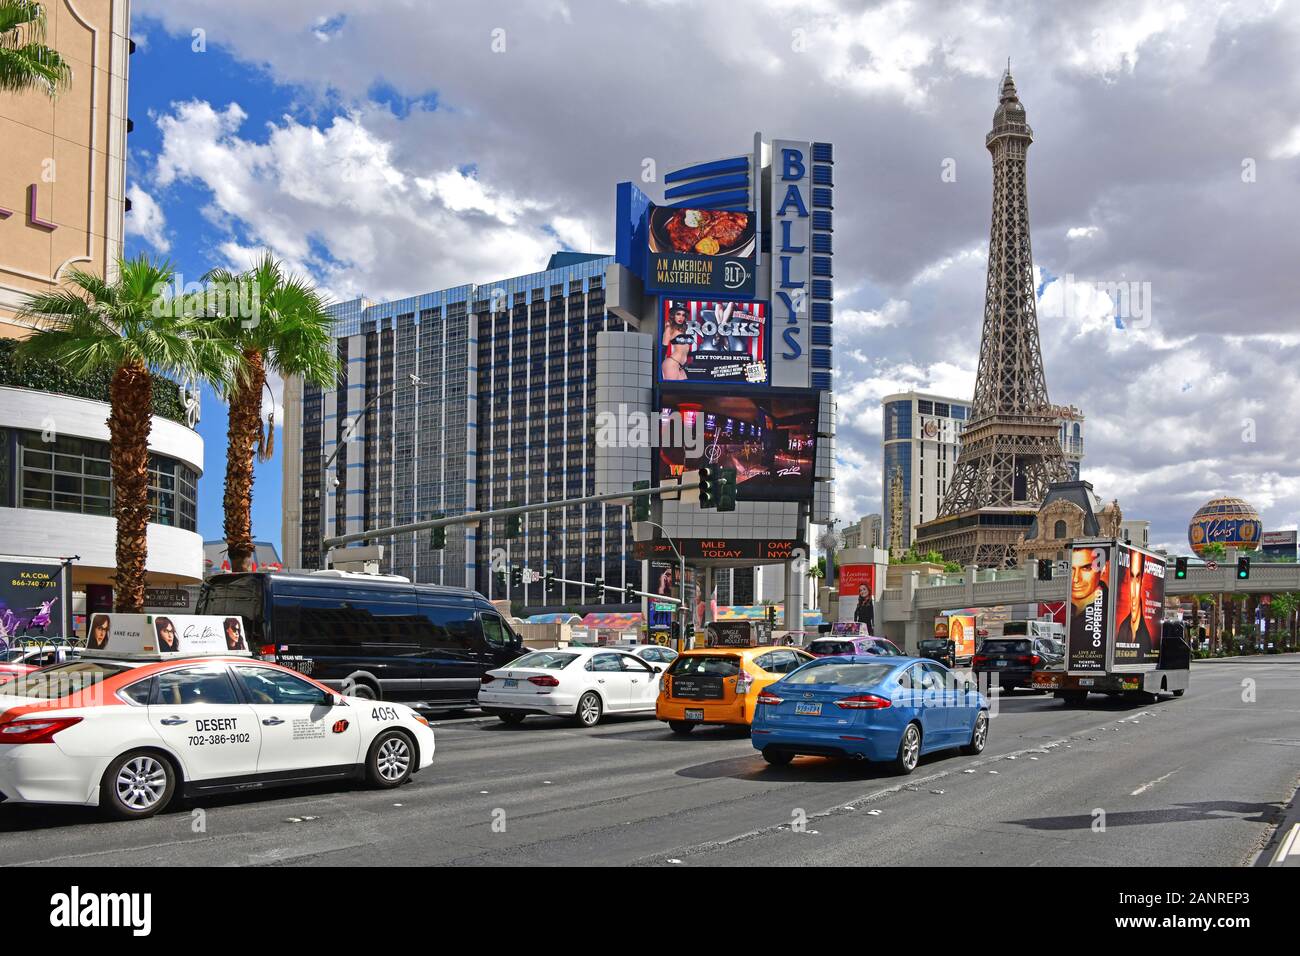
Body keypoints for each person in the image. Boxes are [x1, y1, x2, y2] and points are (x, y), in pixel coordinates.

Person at [1115, 551, 1152, 653]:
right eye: (1131, 577)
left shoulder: (1147, 638)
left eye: (1137, 578)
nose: (1134, 591)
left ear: (1142, 580)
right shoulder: (1123, 628)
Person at [661, 304, 692, 380]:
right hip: (672, 363)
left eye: (683, 315)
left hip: (681, 366)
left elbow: (685, 349)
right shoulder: (669, 329)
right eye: (678, 314)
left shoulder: (683, 330)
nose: (681, 317)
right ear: (673, 315)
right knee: (670, 390)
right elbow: (663, 348)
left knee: (684, 391)